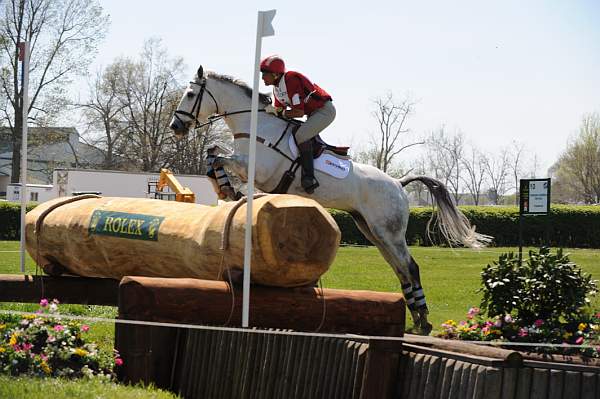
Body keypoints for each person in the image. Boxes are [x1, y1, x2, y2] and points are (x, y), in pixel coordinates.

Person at [260, 55, 335, 194]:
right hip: (313, 114)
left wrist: (278, 112)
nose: (262, 78)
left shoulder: (291, 80)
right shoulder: (277, 89)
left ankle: (309, 178)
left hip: (325, 111)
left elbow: (298, 112)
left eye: (265, 74)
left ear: (275, 74)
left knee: (300, 135)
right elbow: (280, 110)